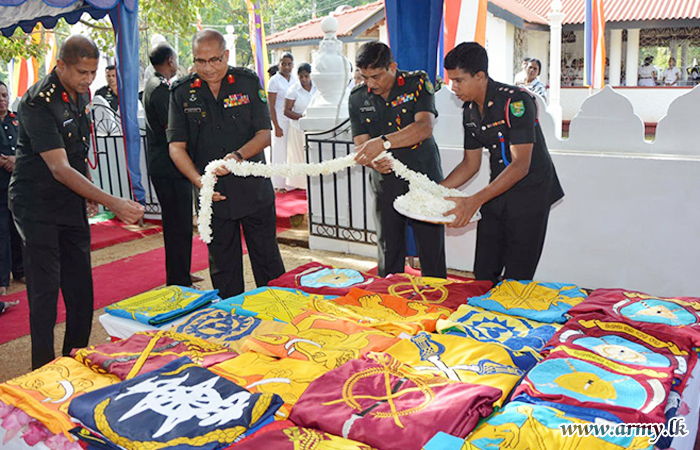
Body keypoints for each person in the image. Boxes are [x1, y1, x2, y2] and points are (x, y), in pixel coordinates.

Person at [9, 35, 144, 369]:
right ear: (61, 66)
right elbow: (58, 167)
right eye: (82, 72)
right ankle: (43, 370)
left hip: (69, 200)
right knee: (45, 292)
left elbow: (77, 150)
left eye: (93, 72)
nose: (88, 80)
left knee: (81, 289)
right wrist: (112, 201)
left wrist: (88, 194)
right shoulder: (38, 102)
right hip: (36, 203)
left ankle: (75, 360)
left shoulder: (80, 94)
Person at [168, 29, 285, 299]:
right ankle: (232, 324)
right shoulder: (182, 92)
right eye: (200, 61)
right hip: (214, 195)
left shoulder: (246, 81)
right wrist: (200, 183)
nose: (208, 68)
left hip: (252, 188)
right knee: (223, 269)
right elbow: (176, 147)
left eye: (215, 60)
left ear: (226, 55)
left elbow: (264, 134)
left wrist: (237, 156)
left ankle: (279, 317)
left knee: (268, 263)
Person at [441, 42, 564, 283]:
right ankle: (481, 318)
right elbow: (470, 164)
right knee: (484, 269)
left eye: (458, 80)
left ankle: (509, 316)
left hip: (532, 193)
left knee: (517, 274)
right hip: (498, 190)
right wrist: (436, 191)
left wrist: (473, 200)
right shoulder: (470, 112)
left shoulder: (516, 102)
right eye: (451, 80)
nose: (453, 87)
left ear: (480, 76)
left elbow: (521, 165)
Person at [350, 41, 446, 279]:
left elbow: (424, 128)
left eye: (376, 76)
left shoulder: (417, 83)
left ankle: (437, 298)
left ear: (392, 67)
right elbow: (361, 144)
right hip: (385, 178)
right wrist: (373, 161)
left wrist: (381, 143)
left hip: (422, 173)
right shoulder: (358, 97)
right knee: (388, 244)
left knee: (430, 243)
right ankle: (388, 298)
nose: (370, 84)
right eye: (364, 77)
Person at [143, 43, 201, 287]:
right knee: (178, 225)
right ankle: (178, 279)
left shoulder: (155, 84)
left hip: (166, 165)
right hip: (169, 167)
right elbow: (172, 128)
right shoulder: (159, 89)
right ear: (169, 60)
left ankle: (181, 273)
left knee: (180, 223)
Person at [1, 81, 24, 297]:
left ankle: (20, 271)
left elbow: (29, 145)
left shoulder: (16, 120)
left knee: (18, 230)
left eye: (5, 95)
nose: (2, 99)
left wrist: (16, 160)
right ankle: (2, 279)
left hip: (17, 184)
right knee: (1, 232)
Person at [283, 63, 317, 190]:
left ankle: (314, 185)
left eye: (306, 76)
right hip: (298, 129)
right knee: (300, 159)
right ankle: (303, 187)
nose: (304, 79)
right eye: (301, 76)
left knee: (313, 158)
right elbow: (286, 111)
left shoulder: (317, 88)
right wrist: (302, 118)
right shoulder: (293, 90)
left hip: (314, 128)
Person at [267, 52, 296, 192]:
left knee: (291, 151)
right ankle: (279, 184)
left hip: (293, 121)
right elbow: (271, 106)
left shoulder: (295, 79)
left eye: (289, 64)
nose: (286, 66)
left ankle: (291, 182)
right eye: (283, 63)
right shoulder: (274, 81)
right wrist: (276, 126)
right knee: (280, 152)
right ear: (279, 64)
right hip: (279, 120)